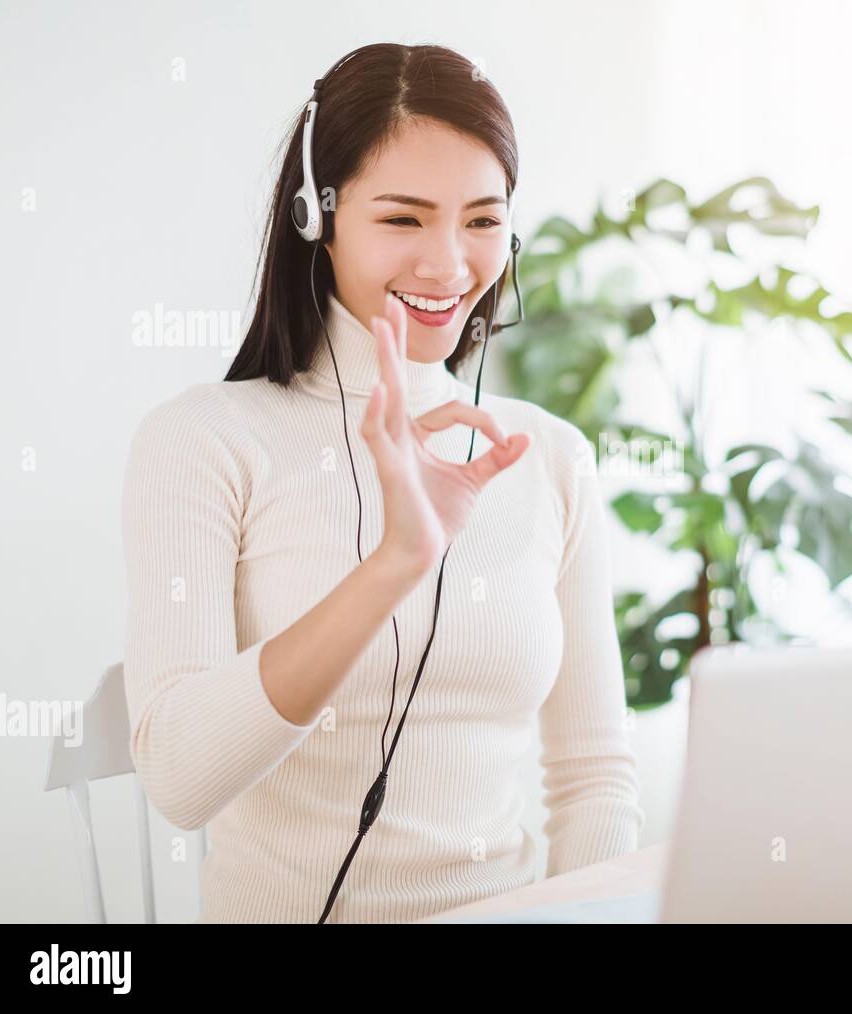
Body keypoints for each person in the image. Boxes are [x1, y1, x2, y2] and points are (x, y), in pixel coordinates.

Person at [120, 42, 644, 923]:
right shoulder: (205, 439)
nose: (449, 266)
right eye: (404, 219)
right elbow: (178, 779)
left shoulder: (551, 457)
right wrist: (395, 563)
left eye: (482, 221)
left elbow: (596, 778)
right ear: (314, 219)